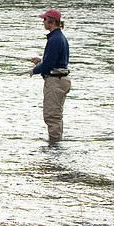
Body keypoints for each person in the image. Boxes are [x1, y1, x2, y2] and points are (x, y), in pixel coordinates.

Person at [29, 9, 71, 143]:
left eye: (45, 20)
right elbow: (55, 63)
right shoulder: (59, 38)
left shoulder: (55, 39)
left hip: (55, 82)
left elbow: (48, 66)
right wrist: (40, 62)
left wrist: (34, 70)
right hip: (60, 79)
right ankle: (56, 144)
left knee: (52, 116)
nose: (43, 22)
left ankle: (54, 148)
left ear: (52, 22)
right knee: (55, 116)